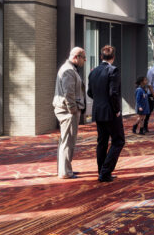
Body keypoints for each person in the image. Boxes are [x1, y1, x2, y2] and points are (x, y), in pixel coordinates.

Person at [87, 45, 123, 182]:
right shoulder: (113, 70)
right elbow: (113, 93)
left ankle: (101, 171)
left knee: (102, 142)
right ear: (113, 57)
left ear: (101, 56)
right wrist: (117, 110)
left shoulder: (93, 72)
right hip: (111, 112)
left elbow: (90, 92)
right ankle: (106, 171)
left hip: (98, 111)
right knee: (118, 141)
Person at [52, 47, 86, 179]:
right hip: (67, 111)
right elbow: (68, 93)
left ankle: (64, 168)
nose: (85, 60)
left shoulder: (69, 69)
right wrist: (73, 110)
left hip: (66, 109)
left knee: (65, 140)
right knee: (68, 141)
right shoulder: (68, 70)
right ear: (76, 57)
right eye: (83, 57)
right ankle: (65, 172)